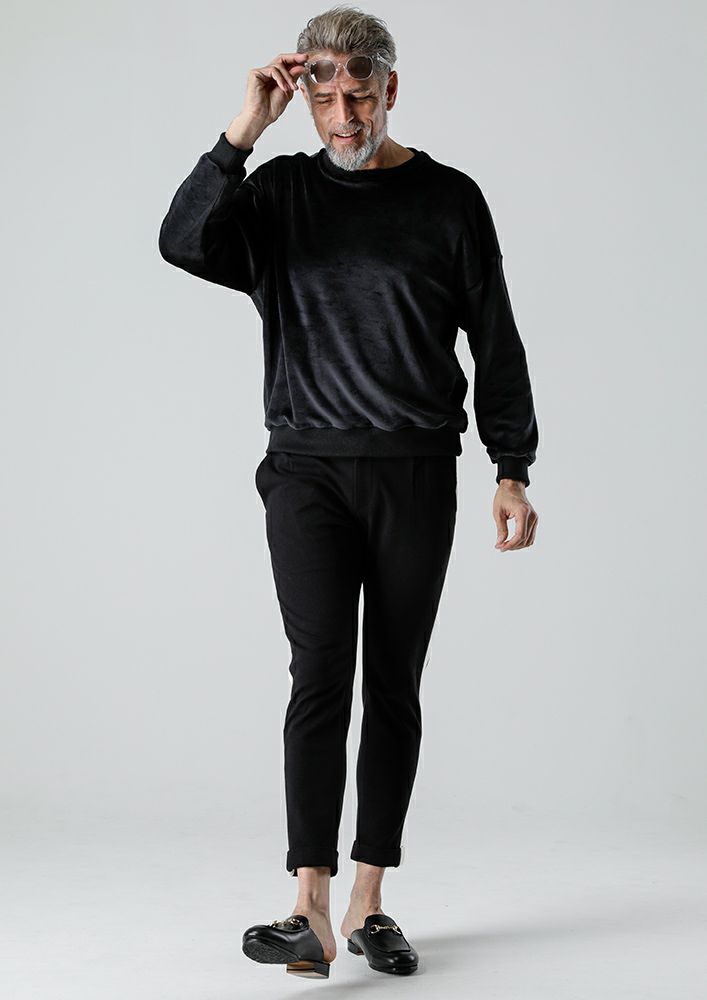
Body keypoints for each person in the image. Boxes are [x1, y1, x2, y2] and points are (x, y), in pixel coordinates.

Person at [158, 5, 539, 980]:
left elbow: (493, 338)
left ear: (388, 89)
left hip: (415, 470)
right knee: (319, 673)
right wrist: (243, 130)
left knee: (393, 683)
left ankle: (369, 902)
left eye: (358, 96)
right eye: (323, 99)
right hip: (307, 469)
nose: (341, 116)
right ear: (305, 98)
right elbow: (182, 240)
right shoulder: (278, 195)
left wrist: (510, 466)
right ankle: (309, 907)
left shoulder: (448, 200)